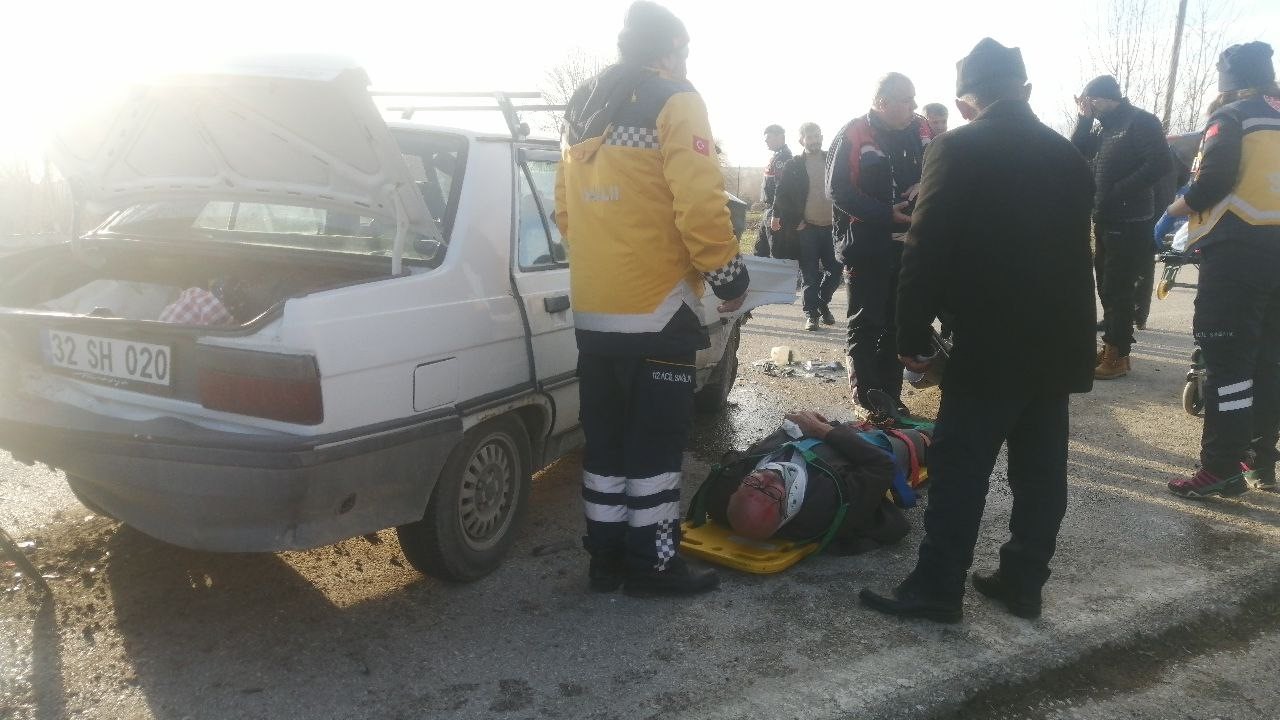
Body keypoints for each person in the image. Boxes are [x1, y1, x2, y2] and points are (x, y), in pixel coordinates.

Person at [858, 38, 1095, 623]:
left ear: (966, 103)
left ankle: (937, 589)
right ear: (1027, 90)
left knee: (961, 468)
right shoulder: (1069, 157)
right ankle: (1022, 581)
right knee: (1041, 472)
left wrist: (911, 334)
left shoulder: (956, 149)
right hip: (1058, 342)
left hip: (990, 341)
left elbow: (925, 248)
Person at [555, 0, 750, 597]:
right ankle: (655, 564)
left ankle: (606, 559)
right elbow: (699, 202)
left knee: (607, 443)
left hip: (595, 310)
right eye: (683, 51)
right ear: (669, 50)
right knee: (656, 446)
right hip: (659, 309)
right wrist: (728, 274)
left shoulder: (583, 106)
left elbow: (565, 211)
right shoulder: (675, 98)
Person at [1164, 41, 1280, 498]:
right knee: (1270, 360)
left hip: (1238, 253)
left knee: (1227, 362)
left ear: (1227, 78)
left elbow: (1212, 181)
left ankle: (1220, 467)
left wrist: (1171, 213)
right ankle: (1260, 458)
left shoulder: (1232, 117)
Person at [826, 72, 927, 424]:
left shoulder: (919, 130)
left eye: (914, 99)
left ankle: (891, 398)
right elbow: (837, 191)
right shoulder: (854, 133)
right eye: (906, 99)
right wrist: (885, 214)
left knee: (895, 325)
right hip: (866, 247)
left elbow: (937, 166)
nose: (914, 106)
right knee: (865, 324)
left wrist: (922, 183)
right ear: (882, 103)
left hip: (907, 247)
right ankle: (867, 399)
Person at [688, 411, 915, 554]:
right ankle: (916, 430)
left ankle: (887, 415)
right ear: (788, 509)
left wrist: (796, 426)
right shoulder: (824, 505)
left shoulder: (722, 493)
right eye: (770, 492)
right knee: (914, 441)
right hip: (871, 448)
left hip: (825, 435)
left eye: (753, 483)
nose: (765, 478)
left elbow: (747, 456)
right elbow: (883, 466)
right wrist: (825, 432)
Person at [1071, 75, 1170, 380]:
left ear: (1108, 97)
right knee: (1106, 285)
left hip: (1130, 219)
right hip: (1105, 217)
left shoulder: (1140, 121)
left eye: (1092, 101)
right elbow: (1075, 153)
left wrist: (1117, 191)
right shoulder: (1104, 126)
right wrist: (1083, 120)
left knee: (1119, 287)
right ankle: (1112, 345)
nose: (1090, 106)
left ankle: (1118, 356)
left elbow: (1159, 164)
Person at [771, 122, 840, 330]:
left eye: (817, 136)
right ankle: (811, 314)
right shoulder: (795, 164)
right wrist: (786, 219)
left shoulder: (832, 159)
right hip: (807, 228)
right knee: (810, 274)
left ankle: (821, 303)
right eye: (810, 137)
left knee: (836, 271)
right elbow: (781, 194)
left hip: (832, 228)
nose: (815, 141)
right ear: (802, 140)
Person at [755, 124, 793, 257]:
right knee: (760, 252)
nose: (766, 141)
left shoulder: (783, 159)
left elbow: (781, 189)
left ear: (780, 137)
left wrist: (776, 216)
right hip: (769, 210)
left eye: (769, 137)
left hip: (776, 213)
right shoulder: (776, 156)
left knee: (775, 254)